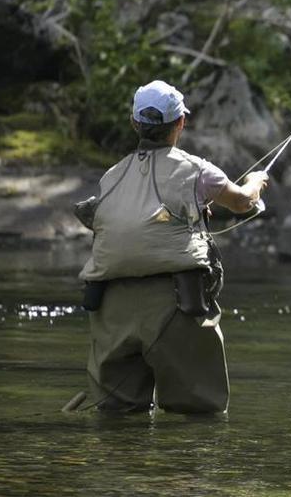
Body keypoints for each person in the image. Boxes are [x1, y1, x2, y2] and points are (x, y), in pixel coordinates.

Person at [77, 79, 268, 413]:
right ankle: (180, 467)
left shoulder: (111, 176)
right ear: (181, 122)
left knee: (116, 417)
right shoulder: (196, 170)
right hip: (177, 306)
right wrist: (257, 182)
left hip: (110, 310)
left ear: (134, 123)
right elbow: (241, 203)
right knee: (199, 416)